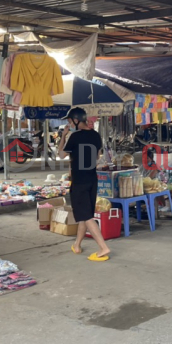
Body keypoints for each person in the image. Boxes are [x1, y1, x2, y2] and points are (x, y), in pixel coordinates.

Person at [58, 107, 111, 262]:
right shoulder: (95, 135)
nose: (69, 123)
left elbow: (61, 155)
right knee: (84, 214)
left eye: (69, 121)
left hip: (79, 180)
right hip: (92, 179)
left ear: (76, 120)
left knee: (86, 216)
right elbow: (97, 156)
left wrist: (63, 137)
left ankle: (103, 247)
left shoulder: (74, 137)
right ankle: (77, 244)